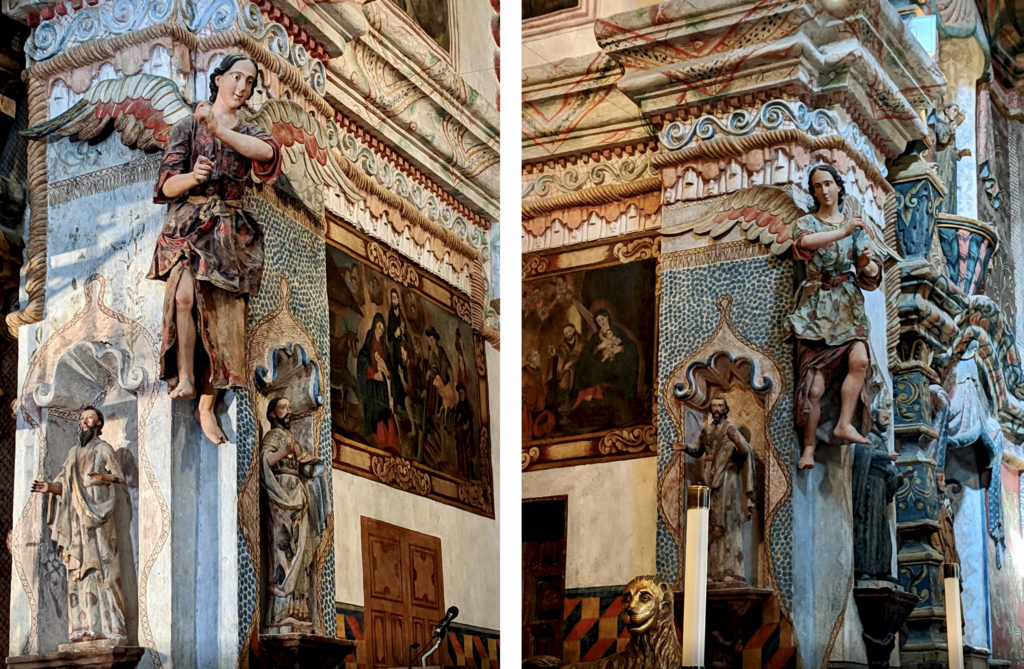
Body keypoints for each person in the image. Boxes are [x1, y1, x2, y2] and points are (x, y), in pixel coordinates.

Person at [150, 54, 281, 445]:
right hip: (190, 224)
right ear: (219, 78)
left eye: (250, 82)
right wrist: (192, 176)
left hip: (230, 235)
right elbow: (165, 186)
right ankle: (186, 376)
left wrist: (218, 128)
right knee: (184, 296)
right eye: (236, 77)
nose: (242, 86)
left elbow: (266, 155)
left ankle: (207, 405)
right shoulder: (189, 126)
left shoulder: (252, 129)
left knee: (225, 326)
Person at [790, 164, 881, 470]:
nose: (823, 191)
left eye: (828, 183)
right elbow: (803, 244)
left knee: (860, 361)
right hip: (817, 309)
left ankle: (844, 423)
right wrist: (843, 232)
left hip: (847, 304)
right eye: (817, 186)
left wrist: (867, 263)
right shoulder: (807, 223)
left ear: (839, 187)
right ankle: (809, 447)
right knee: (814, 389)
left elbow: (869, 267)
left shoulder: (855, 226)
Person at [32, 407, 127, 643]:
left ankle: (111, 628)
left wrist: (102, 477)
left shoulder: (103, 448)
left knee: (102, 568)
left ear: (98, 424)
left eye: (89, 418)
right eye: (82, 419)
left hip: (98, 514)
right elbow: (64, 486)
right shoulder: (73, 453)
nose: (84, 422)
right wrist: (50, 488)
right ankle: (83, 627)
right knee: (79, 572)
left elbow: (120, 476)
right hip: (76, 519)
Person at [672, 397, 756, 585]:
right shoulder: (707, 430)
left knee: (729, 524)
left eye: (720, 406)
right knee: (710, 525)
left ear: (726, 409)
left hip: (728, 479)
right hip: (710, 479)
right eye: (714, 406)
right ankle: (712, 571)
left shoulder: (731, 429)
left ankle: (732, 571)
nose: (717, 409)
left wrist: (738, 442)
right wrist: (684, 447)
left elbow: (744, 452)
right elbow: (698, 449)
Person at [261, 398, 322, 631]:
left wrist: (307, 464)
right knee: (284, 551)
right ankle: (280, 611)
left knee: (301, 551)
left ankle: (299, 611)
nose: (289, 411)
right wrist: (285, 451)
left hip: (298, 497)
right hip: (282, 498)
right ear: (273, 414)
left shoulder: (291, 439)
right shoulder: (274, 437)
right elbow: (265, 461)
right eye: (284, 407)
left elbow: (303, 466)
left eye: (289, 406)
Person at [356, 313, 398, 453]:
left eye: (382, 328)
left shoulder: (384, 348)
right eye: (378, 327)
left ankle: (389, 442)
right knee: (376, 409)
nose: (380, 330)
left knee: (386, 412)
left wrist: (387, 372)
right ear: (374, 327)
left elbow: (390, 367)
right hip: (371, 384)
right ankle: (379, 440)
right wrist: (373, 374)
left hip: (383, 387)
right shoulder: (369, 343)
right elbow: (363, 359)